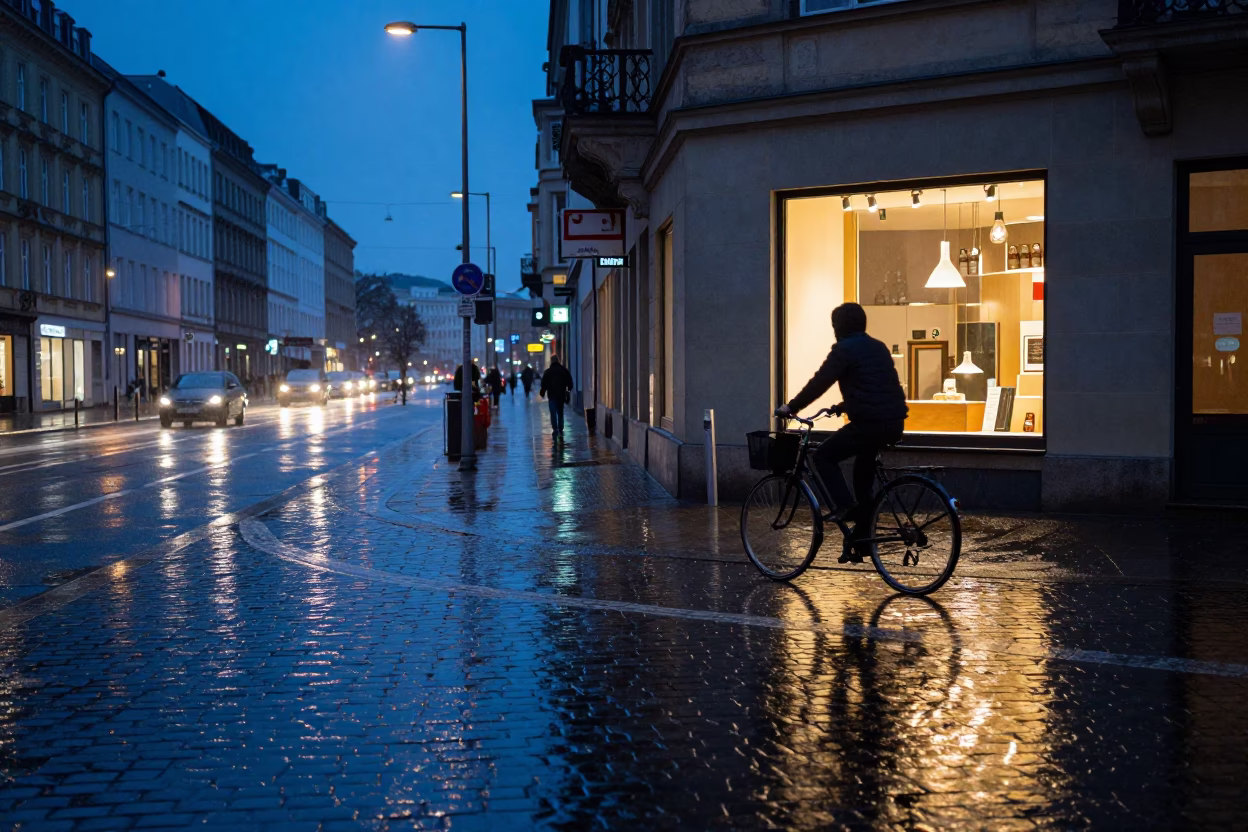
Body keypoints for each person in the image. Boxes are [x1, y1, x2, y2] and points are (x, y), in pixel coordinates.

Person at [776, 302, 908, 563]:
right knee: (863, 480)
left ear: (838, 327)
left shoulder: (844, 349)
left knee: (823, 456)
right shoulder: (878, 346)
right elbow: (878, 388)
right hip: (893, 422)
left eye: (834, 326)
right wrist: (843, 406)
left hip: (869, 424)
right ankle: (863, 540)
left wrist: (791, 407)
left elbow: (820, 382)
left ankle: (844, 507)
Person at [539, 356, 574, 436]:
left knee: (553, 412)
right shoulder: (564, 370)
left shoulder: (548, 372)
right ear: (558, 361)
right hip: (561, 395)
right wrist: (567, 391)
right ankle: (561, 428)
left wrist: (542, 392)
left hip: (552, 395)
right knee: (560, 412)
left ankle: (555, 429)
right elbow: (570, 383)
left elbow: (544, 384)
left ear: (551, 362)